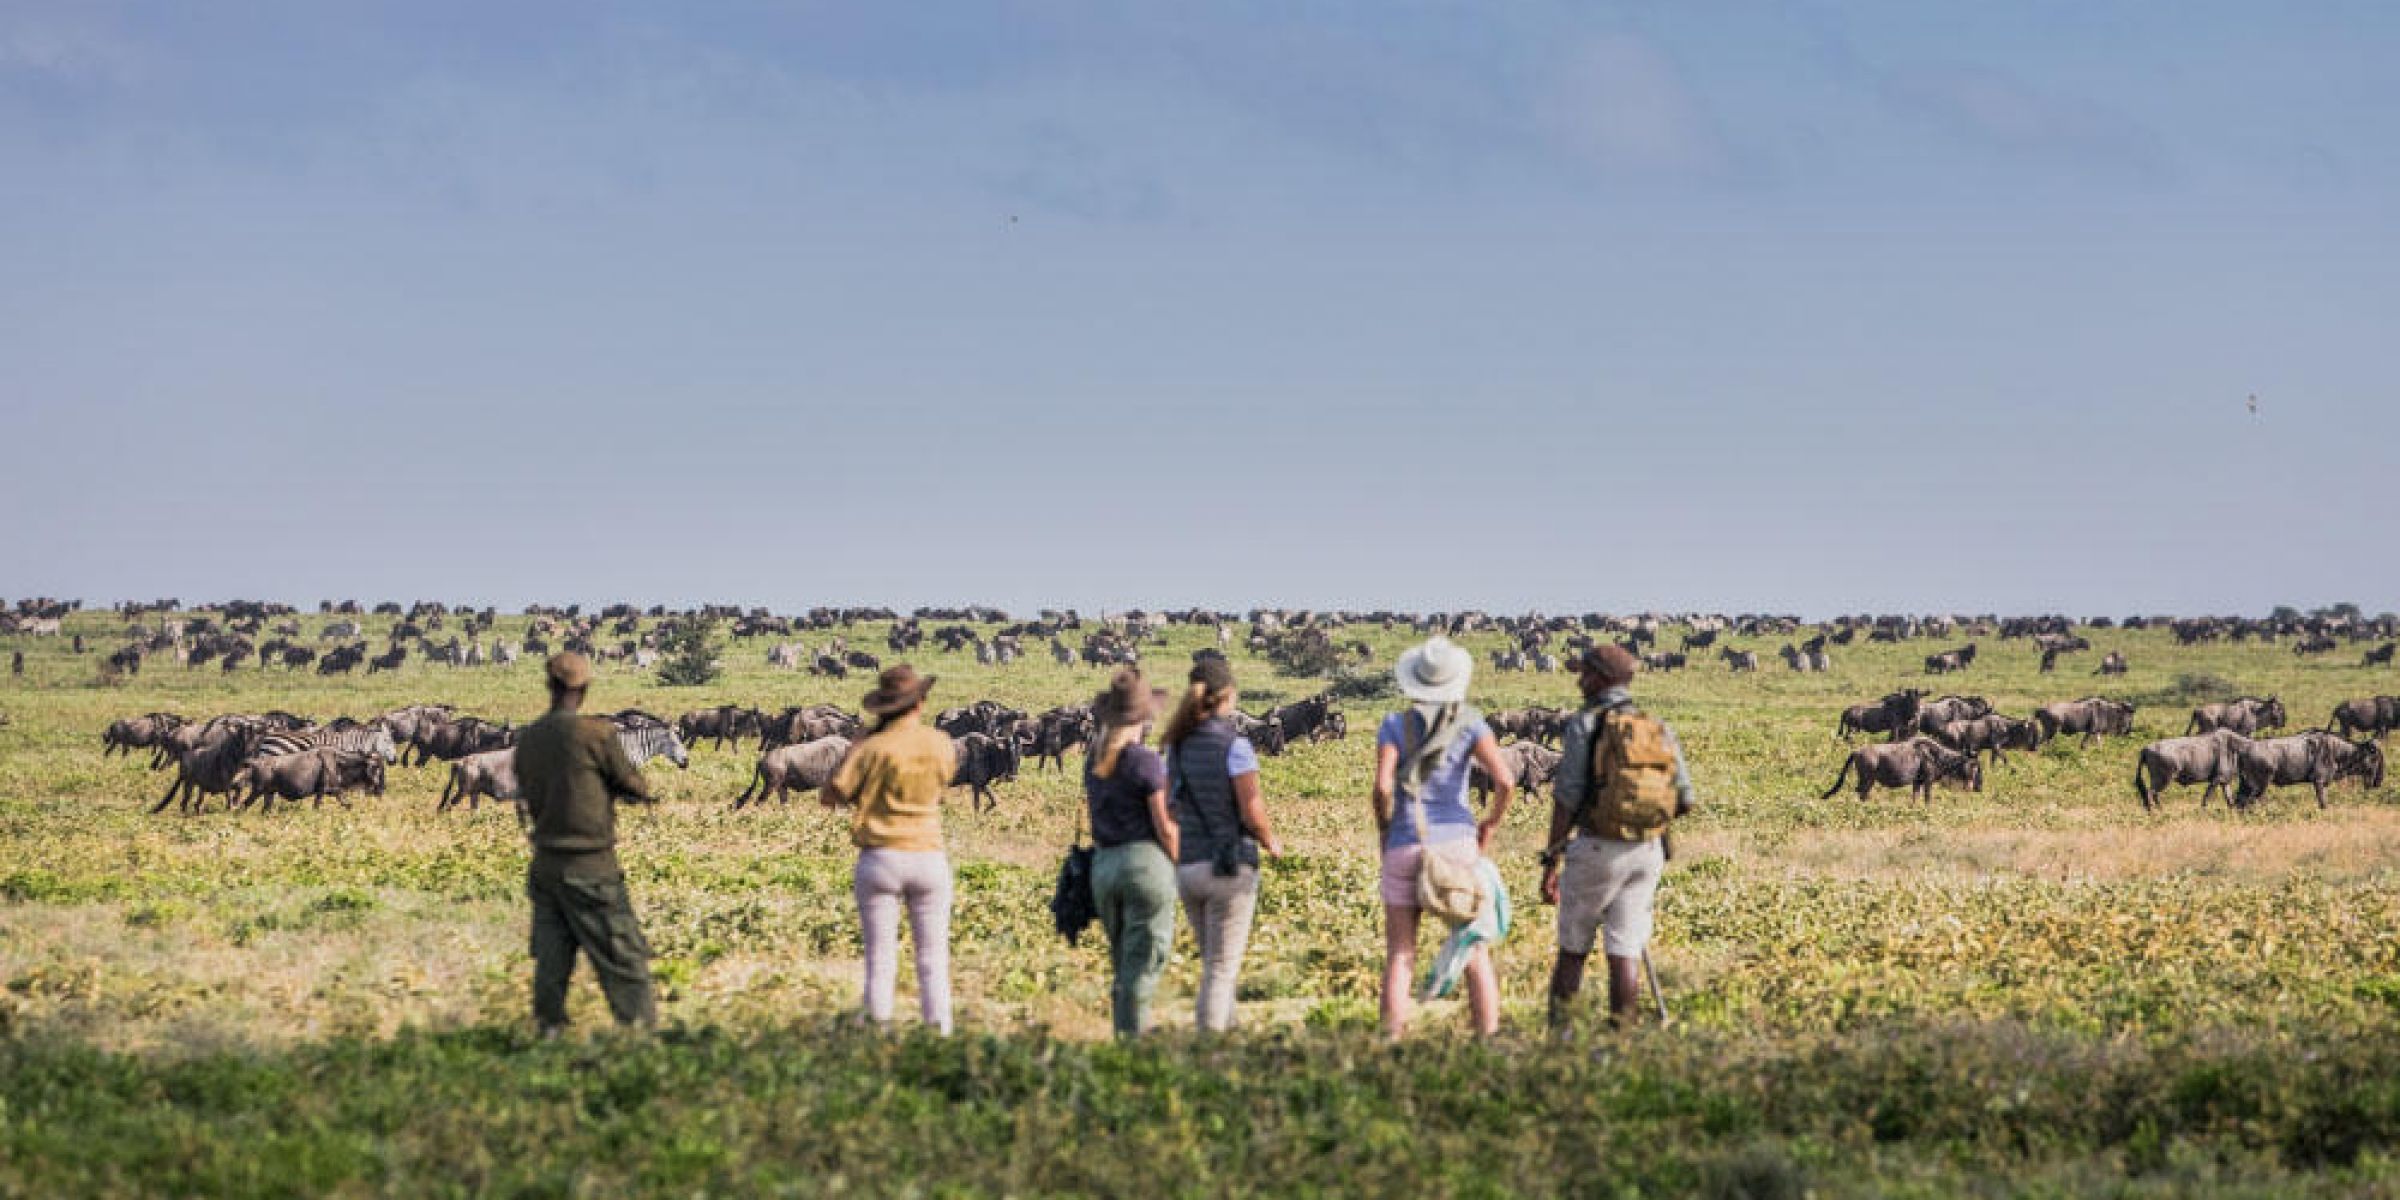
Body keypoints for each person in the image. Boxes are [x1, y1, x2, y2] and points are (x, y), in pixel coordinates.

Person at [1540, 644, 1696, 1030]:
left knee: (1573, 949)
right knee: (1625, 950)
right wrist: (1642, 821)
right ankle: (1621, 1039)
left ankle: (1560, 1041)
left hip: (1596, 848)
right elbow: (1685, 799)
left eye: (1585, 673)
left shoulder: (1585, 724)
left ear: (1602, 679)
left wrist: (1552, 857)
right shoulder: (1655, 725)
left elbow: (1566, 797)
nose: (1579, 681)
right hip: (1647, 851)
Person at [1372, 636, 1515, 1038]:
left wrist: (1386, 830)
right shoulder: (1471, 723)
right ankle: (1486, 1039)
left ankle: (1391, 1041)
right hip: (1457, 844)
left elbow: (1383, 787)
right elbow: (1505, 780)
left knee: (1401, 953)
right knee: (1472, 947)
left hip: (1405, 840)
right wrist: (1490, 823)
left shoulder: (1394, 725)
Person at [515, 651, 658, 1036]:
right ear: (584, 689)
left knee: (551, 959)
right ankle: (641, 1038)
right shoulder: (596, 734)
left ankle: (548, 1034)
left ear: (549, 685)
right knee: (623, 954)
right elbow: (632, 784)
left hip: (546, 865)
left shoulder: (529, 739)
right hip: (590, 866)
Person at [823, 664, 960, 1034]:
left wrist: (856, 749)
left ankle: (877, 1036)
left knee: (880, 959)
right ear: (919, 703)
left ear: (883, 706)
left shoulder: (871, 747)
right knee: (933, 958)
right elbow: (944, 783)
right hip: (928, 855)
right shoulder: (939, 743)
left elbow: (832, 795)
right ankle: (939, 1036)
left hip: (880, 857)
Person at [1161, 656, 1282, 1033]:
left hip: (1188, 868)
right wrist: (1271, 842)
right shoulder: (1236, 745)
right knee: (1221, 968)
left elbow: (1168, 807)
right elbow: (1251, 810)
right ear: (1227, 694)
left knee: (1213, 963)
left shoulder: (1175, 747)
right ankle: (1210, 1046)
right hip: (1227, 866)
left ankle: (1229, 1036)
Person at [1083, 668, 1180, 1038]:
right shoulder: (1145, 760)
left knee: (1123, 959)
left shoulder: (1094, 761)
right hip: (1144, 865)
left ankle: (1123, 1035)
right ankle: (1134, 1043)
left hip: (1103, 866)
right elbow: (1164, 825)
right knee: (1144, 959)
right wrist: (1181, 861)